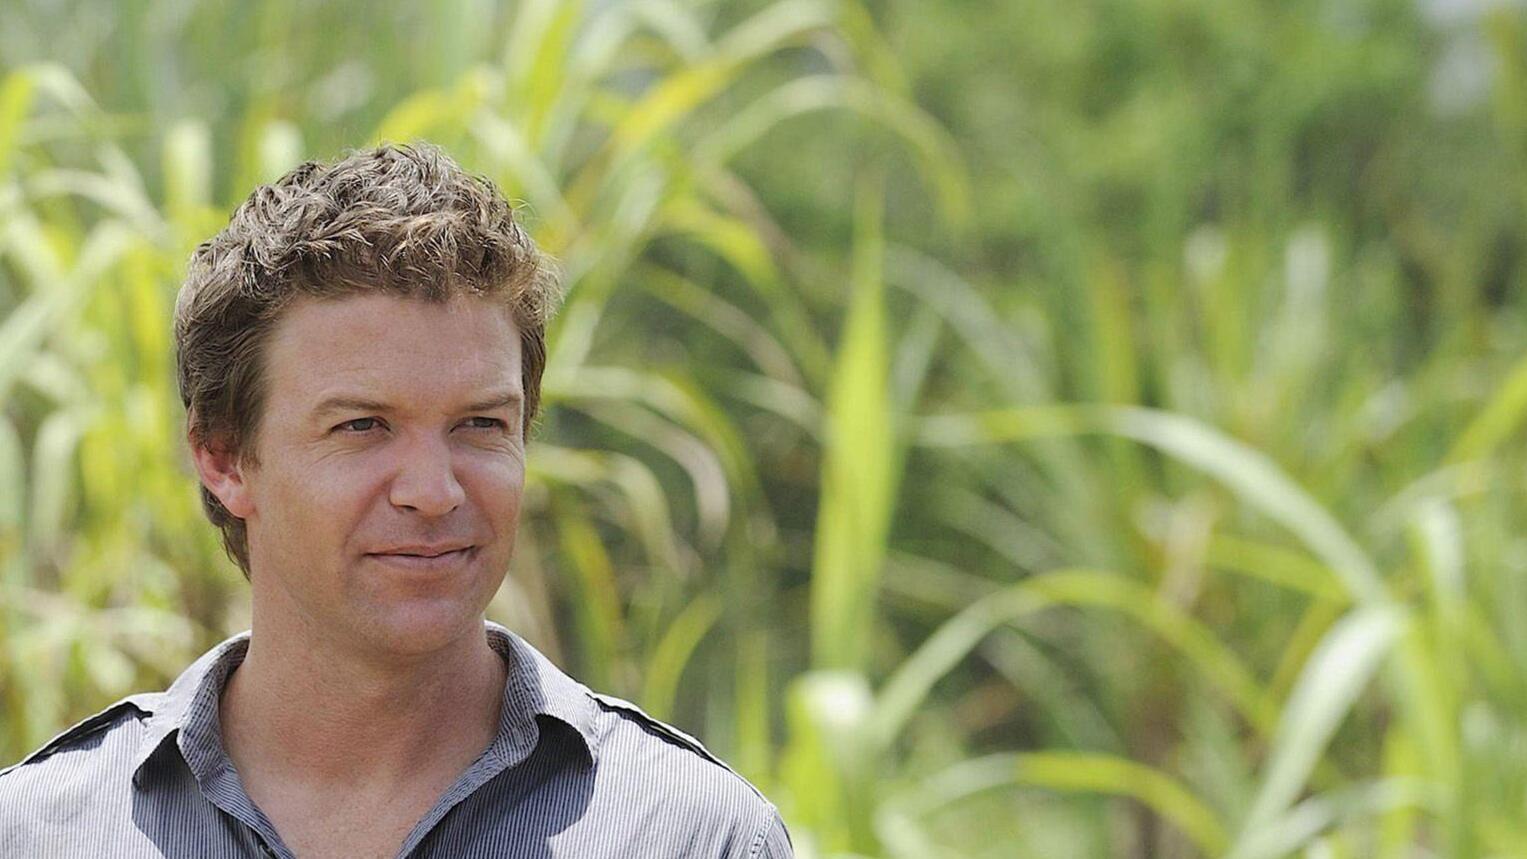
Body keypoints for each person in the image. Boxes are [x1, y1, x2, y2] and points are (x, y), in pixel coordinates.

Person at [0, 143, 792, 858]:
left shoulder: (690, 835)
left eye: (480, 424)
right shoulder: (40, 833)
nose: (433, 491)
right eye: (362, 426)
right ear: (223, 457)